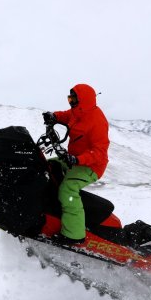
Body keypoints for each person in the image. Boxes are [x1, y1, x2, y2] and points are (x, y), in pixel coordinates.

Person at [42, 83, 110, 246]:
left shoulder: (97, 121)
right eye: (69, 98)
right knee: (47, 166)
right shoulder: (77, 111)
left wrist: (77, 160)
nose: (70, 102)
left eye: (73, 99)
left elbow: (99, 152)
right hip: (73, 159)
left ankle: (74, 235)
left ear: (83, 100)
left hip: (91, 166)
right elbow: (66, 116)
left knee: (68, 189)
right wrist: (54, 116)